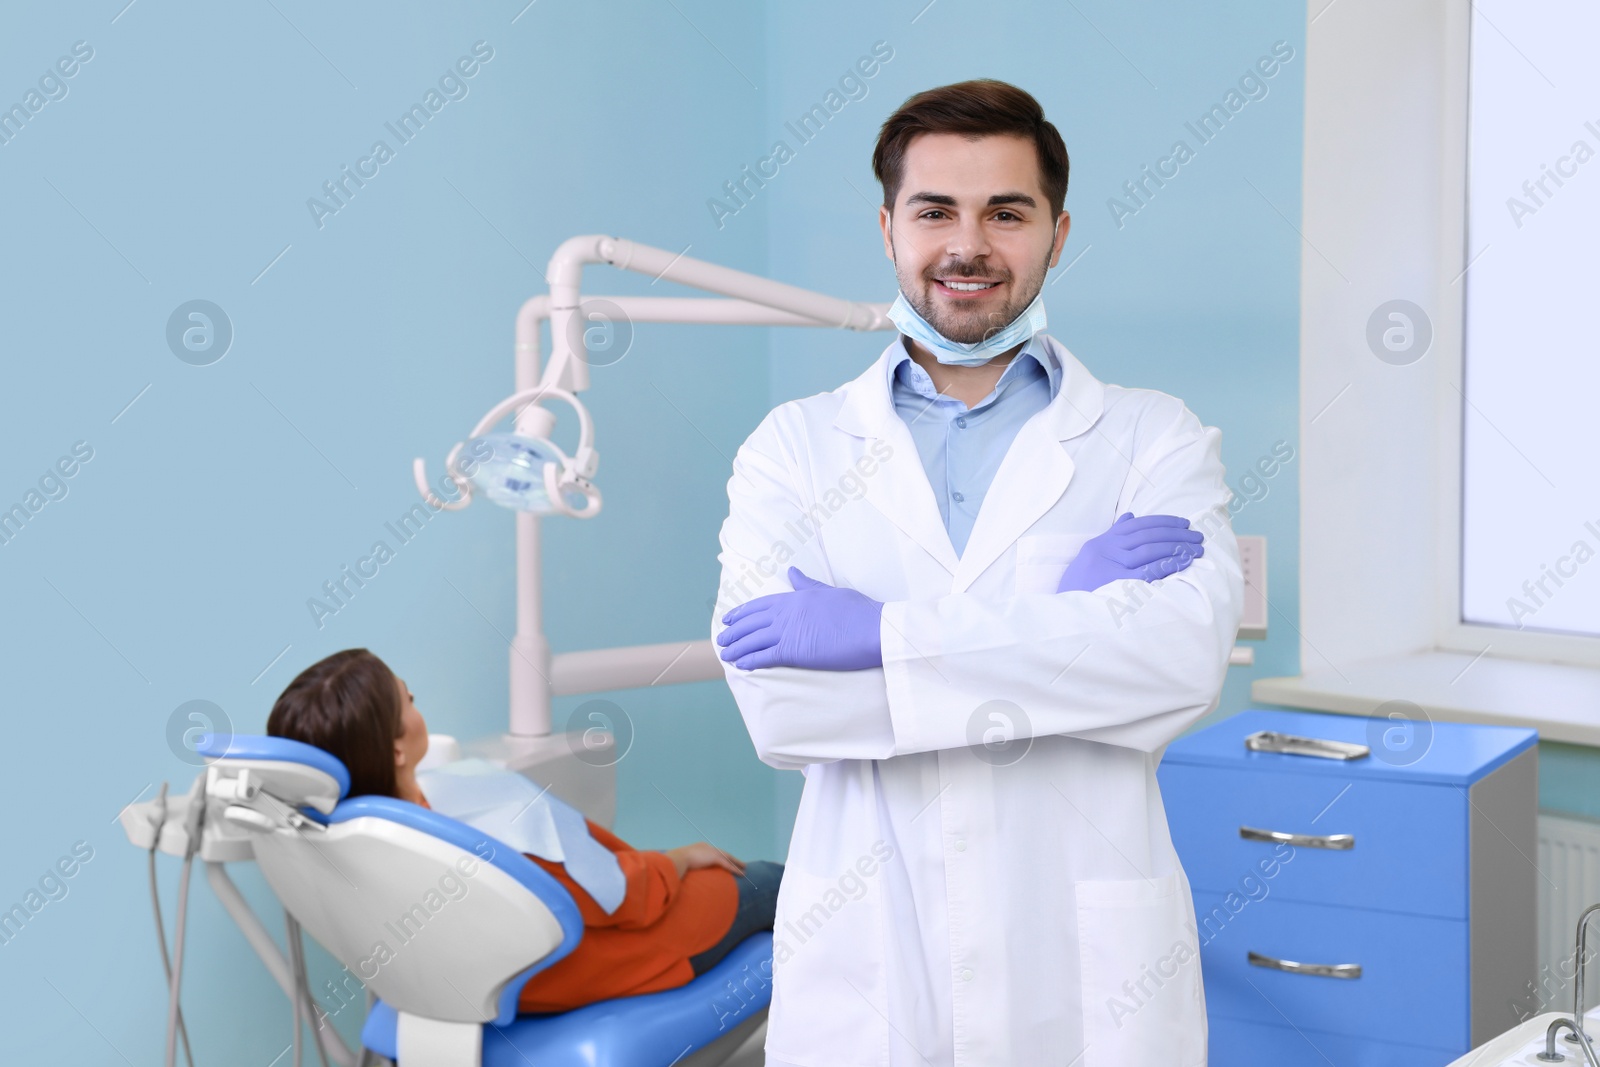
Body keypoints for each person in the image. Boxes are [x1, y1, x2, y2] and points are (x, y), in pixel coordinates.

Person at [712, 80, 1243, 1066]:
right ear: (887, 228)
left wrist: (877, 636)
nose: (970, 243)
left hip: (1082, 965)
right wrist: (1065, 621)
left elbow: (1175, 663)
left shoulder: (1149, 436)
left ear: (1057, 230)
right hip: (871, 947)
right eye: (935, 210)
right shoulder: (793, 449)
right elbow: (782, 707)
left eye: (1006, 211)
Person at [265, 648, 782, 1014]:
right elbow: (624, 900)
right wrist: (680, 859)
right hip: (596, 962)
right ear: (396, 749)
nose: (419, 707)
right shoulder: (486, 837)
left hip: (491, 979)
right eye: (411, 701)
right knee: (771, 882)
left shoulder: (359, 838)